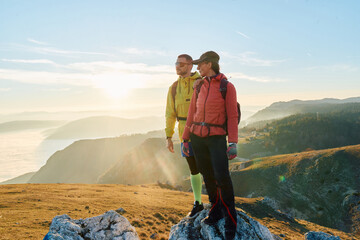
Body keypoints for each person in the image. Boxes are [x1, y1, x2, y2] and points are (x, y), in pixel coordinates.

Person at [182, 51, 238, 240]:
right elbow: (192, 113)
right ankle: (215, 210)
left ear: (209, 64)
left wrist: (233, 142)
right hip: (197, 138)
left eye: (200, 65)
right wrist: (185, 138)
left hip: (216, 138)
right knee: (207, 175)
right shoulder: (198, 86)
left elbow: (232, 116)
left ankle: (231, 218)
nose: (197, 68)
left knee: (222, 177)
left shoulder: (227, 87)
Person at [165, 54, 204, 218]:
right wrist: (168, 136)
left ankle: (218, 202)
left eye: (180, 64)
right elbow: (170, 114)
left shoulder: (202, 82)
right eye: (176, 63)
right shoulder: (173, 88)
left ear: (190, 65)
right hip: (184, 135)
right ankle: (198, 202)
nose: (177, 66)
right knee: (194, 169)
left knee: (210, 168)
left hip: (203, 133)